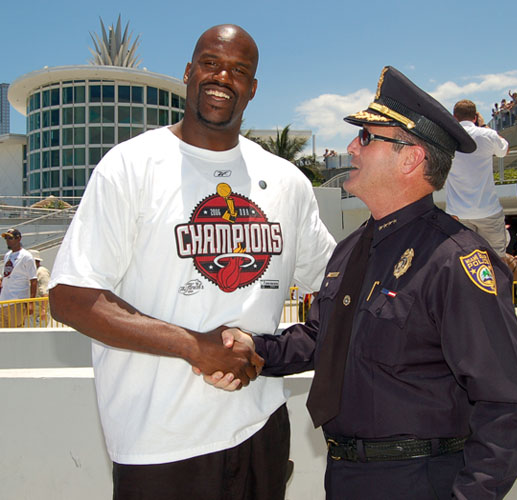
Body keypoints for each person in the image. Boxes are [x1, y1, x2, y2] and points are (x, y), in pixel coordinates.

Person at [212, 66, 517, 499]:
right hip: (346, 476)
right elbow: (321, 338)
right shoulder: (350, 250)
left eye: (367, 137)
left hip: (420, 480)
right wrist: (254, 347)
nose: (351, 146)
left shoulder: (455, 260)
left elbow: (512, 405)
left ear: (411, 158)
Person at [48, 24, 335, 500]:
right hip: (158, 444)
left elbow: (334, 282)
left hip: (259, 427)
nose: (223, 76)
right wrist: (192, 346)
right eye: (210, 63)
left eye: (239, 69)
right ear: (188, 72)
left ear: (253, 88)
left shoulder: (286, 182)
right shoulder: (131, 166)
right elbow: (71, 298)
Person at [444, 99, 509, 256]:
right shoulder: (487, 134)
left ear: (454, 117)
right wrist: (484, 125)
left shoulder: (446, 138)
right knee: (498, 259)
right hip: (488, 210)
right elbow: (504, 150)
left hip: (457, 213)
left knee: (464, 260)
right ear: (475, 117)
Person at [1, 228, 37, 327]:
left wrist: (31, 303)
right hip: (4, 301)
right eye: (6, 238)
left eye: (10, 238)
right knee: (3, 335)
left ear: (19, 239)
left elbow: (33, 280)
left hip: (17, 301)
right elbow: (5, 276)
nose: (8, 240)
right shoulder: (7, 255)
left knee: (16, 332)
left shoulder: (26, 256)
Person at [30, 249, 51, 325]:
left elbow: (45, 292)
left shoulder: (41, 272)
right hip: (32, 313)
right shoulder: (31, 272)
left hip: (39, 313)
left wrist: (43, 311)